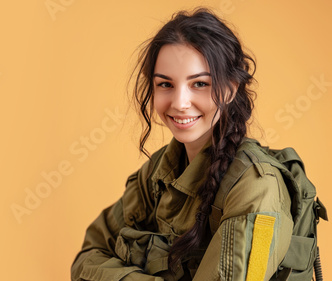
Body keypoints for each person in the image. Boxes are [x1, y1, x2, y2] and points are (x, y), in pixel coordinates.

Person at [71, 7, 294, 281]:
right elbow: (88, 256)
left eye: (199, 83)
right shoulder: (159, 171)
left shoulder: (257, 189)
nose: (179, 103)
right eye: (165, 84)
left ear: (230, 87)